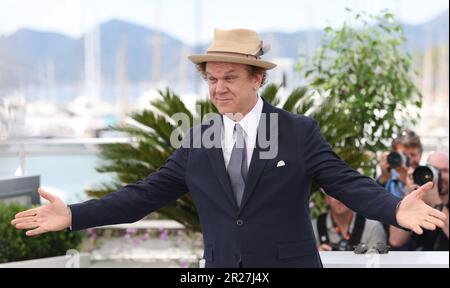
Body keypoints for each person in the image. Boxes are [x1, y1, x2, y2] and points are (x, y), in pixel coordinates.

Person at [11, 28, 446, 268]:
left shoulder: (298, 131)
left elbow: (348, 184)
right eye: (211, 79)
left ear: (258, 79)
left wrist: (394, 210)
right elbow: (142, 196)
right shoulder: (197, 138)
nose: (218, 88)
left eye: (230, 78)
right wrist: (74, 215)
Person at [389, 151, 449, 250]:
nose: (440, 176)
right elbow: (395, 240)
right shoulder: (418, 199)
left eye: (445, 170)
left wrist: (436, 202)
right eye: (434, 169)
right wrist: (408, 194)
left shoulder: (435, 200)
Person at [312, 194, 386, 251]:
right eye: (333, 192)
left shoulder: (373, 227)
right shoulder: (312, 228)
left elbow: (378, 263)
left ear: (354, 196)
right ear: (327, 198)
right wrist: (316, 258)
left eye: (344, 192)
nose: (339, 198)